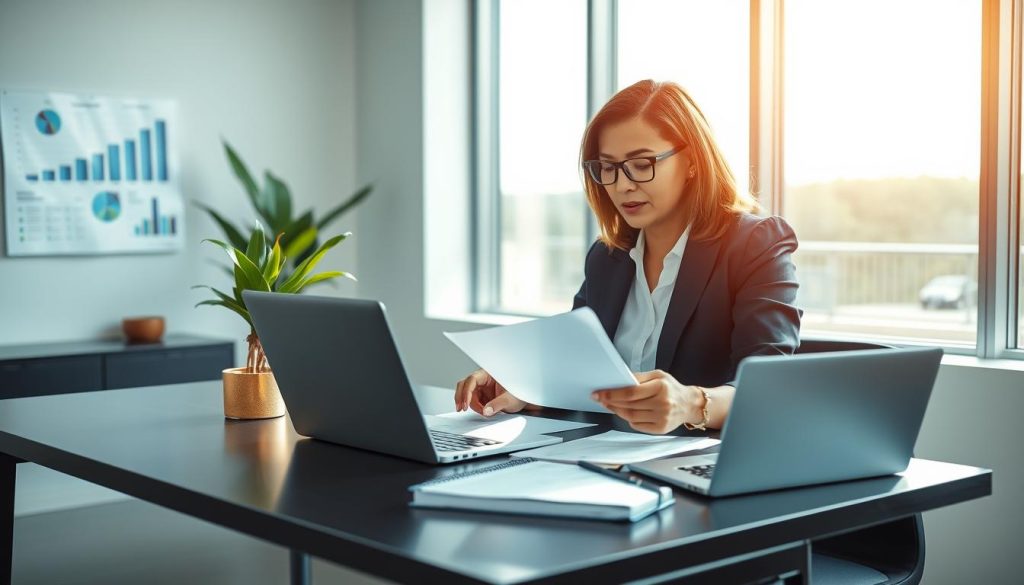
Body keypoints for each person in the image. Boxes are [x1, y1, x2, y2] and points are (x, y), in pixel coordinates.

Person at [454, 79, 802, 434]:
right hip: (602, 457)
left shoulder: (754, 243)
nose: (622, 185)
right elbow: (577, 366)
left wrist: (692, 403)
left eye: (642, 163)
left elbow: (768, 388)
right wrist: (522, 386)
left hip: (702, 465)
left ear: (693, 162)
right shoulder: (608, 257)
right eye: (608, 167)